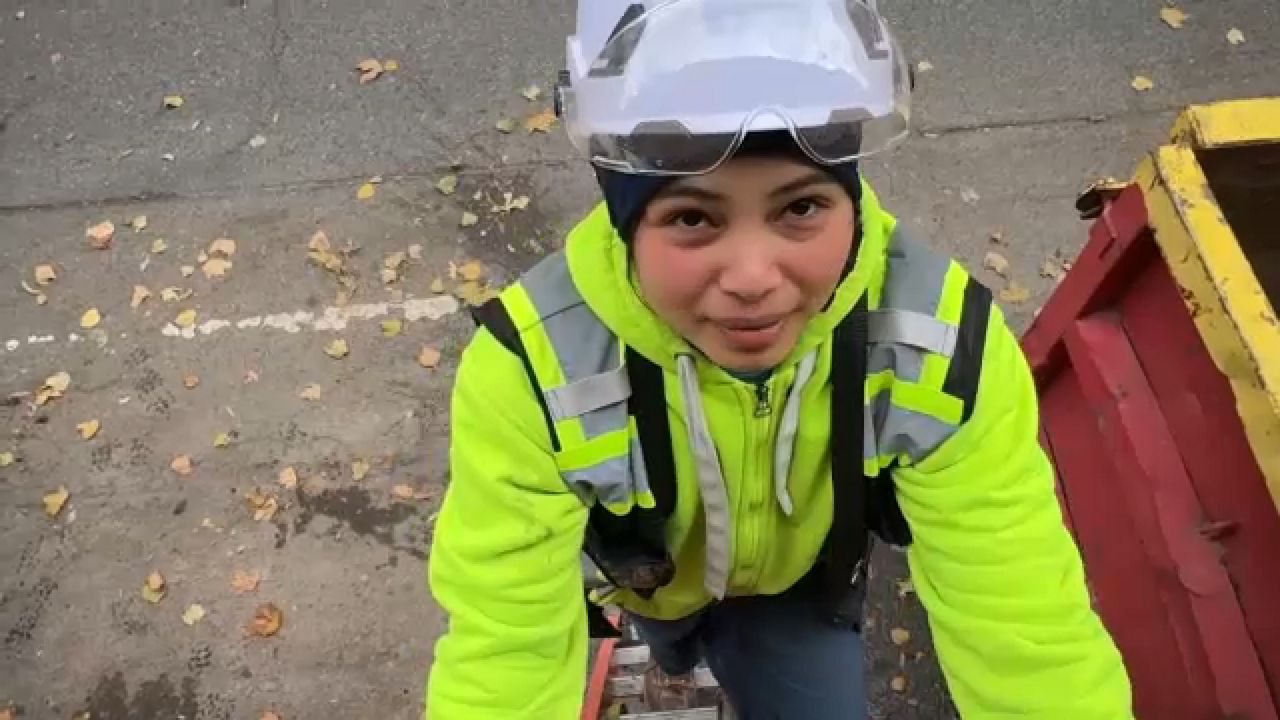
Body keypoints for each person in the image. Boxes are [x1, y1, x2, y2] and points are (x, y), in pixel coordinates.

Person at [425, 0, 1133, 717]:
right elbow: (503, 649)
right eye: (692, 217)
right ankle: (674, 658)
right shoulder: (532, 369)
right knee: (669, 634)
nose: (753, 278)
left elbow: (1023, 620)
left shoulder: (941, 346)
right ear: (625, 220)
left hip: (797, 596)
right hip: (650, 584)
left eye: (800, 209)